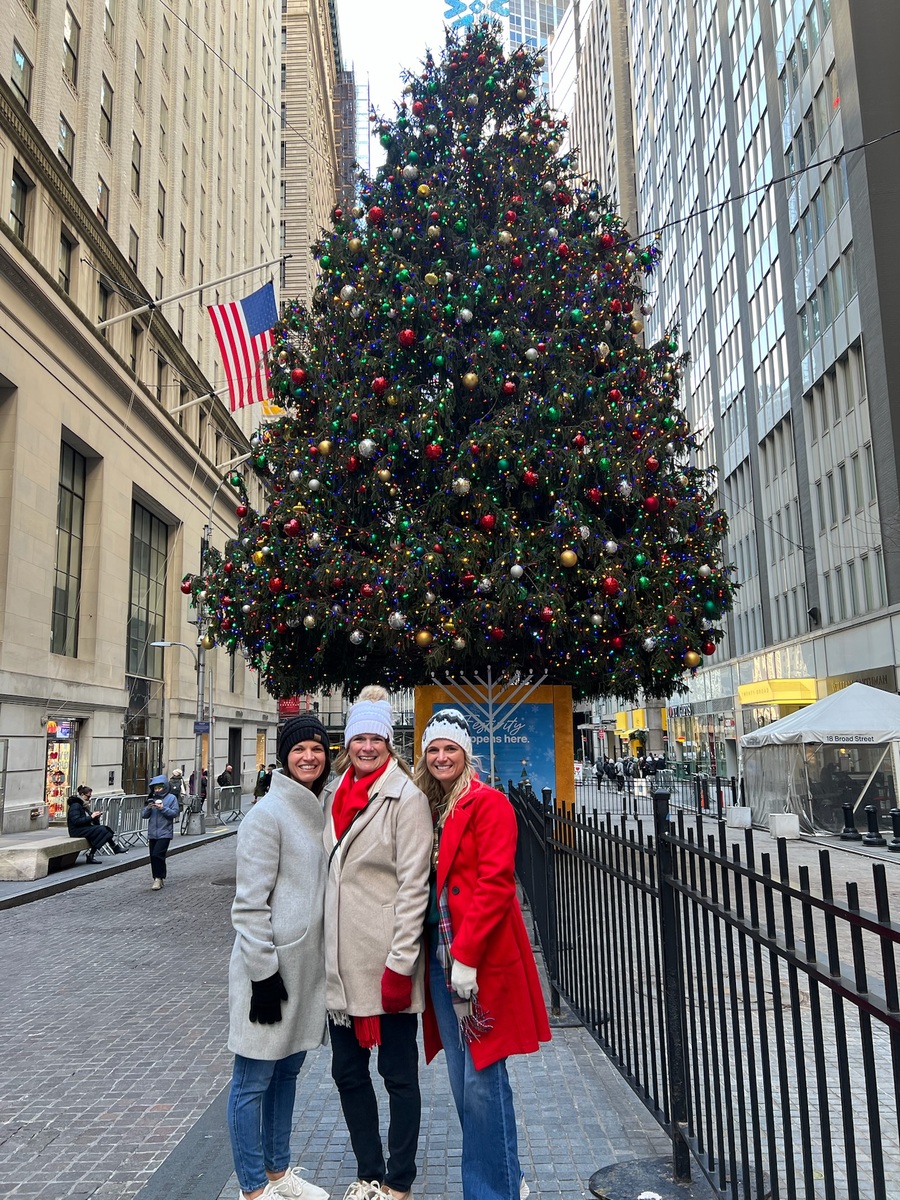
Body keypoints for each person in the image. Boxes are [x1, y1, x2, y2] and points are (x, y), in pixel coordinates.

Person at [414, 710, 551, 1200]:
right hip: (438, 958)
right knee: (465, 1080)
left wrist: (467, 958)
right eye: (433, 749)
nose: (441, 756)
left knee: (481, 1081)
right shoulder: (428, 806)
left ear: (466, 753)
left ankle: (490, 1191)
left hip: (477, 962)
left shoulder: (487, 803)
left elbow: (496, 883)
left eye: (450, 748)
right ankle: (507, 1178)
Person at [322, 686, 432, 1200]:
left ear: (389, 742)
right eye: (359, 737)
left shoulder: (405, 799)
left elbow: (415, 887)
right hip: (341, 967)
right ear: (348, 742)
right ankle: (368, 1170)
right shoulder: (336, 792)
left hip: (385, 962)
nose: (367, 746)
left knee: (397, 1075)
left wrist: (401, 963)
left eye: (376, 738)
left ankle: (399, 1179)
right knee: (347, 1072)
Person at [227, 715, 333, 1200]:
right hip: (268, 972)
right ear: (284, 758)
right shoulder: (267, 814)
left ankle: (278, 1171)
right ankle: (252, 1188)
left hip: (303, 969)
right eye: (299, 749)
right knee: (252, 1080)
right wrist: (265, 978)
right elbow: (248, 906)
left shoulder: (316, 807)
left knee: (287, 1072)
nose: (309, 756)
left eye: (316, 747)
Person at [66, 787, 125, 862]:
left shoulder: (83, 805)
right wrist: (91, 817)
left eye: (90, 796)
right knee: (102, 830)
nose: (89, 799)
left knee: (105, 829)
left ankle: (110, 849)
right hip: (76, 831)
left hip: (82, 828)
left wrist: (95, 817)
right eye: (88, 796)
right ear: (82, 795)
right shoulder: (76, 805)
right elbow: (76, 821)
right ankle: (113, 848)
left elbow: (88, 820)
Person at [143, 775, 180, 890]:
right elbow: (144, 815)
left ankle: (159, 878)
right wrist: (149, 807)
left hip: (165, 832)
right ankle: (157, 877)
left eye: (159, 788)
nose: (157, 790)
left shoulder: (171, 798)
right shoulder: (151, 798)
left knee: (157, 854)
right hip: (153, 833)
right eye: (155, 788)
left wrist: (162, 808)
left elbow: (174, 813)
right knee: (154, 856)